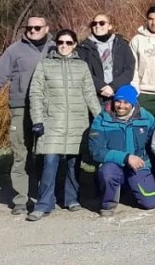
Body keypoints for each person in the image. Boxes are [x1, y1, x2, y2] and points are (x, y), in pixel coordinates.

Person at [0, 16, 53, 214]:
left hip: (49, 108)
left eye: (37, 28)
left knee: (48, 154)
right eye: (29, 27)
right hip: (21, 108)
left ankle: (44, 196)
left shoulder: (56, 47)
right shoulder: (14, 50)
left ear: (46, 28)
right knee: (20, 153)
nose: (32, 31)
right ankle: (21, 200)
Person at [26, 30, 102, 221]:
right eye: (61, 42)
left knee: (73, 163)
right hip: (52, 122)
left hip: (77, 123)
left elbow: (89, 94)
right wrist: (37, 120)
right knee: (50, 163)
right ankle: (44, 203)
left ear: (74, 44)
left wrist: (101, 119)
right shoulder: (45, 65)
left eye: (68, 42)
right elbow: (36, 94)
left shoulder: (82, 66)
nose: (64, 46)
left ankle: (72, 199)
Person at [90, 85, 155, 217]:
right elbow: (96, 151)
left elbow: (152, 141)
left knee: (151, 202)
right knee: (107, 172)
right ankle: (108, 204)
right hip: (113, 165)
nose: (121, 106)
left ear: (133, 103)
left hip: (138, 164)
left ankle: (138, 186)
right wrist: (126, 157)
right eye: (118, 101)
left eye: (126, 102)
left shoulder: (147, 118)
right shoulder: (102, 119)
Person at [77, 14, 135, 104]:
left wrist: (113, 86)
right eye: (94, 24)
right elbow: (83, 71)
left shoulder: (121, 44)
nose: (97, 26)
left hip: (119, 93)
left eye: (102, 23)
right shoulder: (84, 47)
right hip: (96, 94)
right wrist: (101, 87)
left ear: (110, 26)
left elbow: (129, 69)